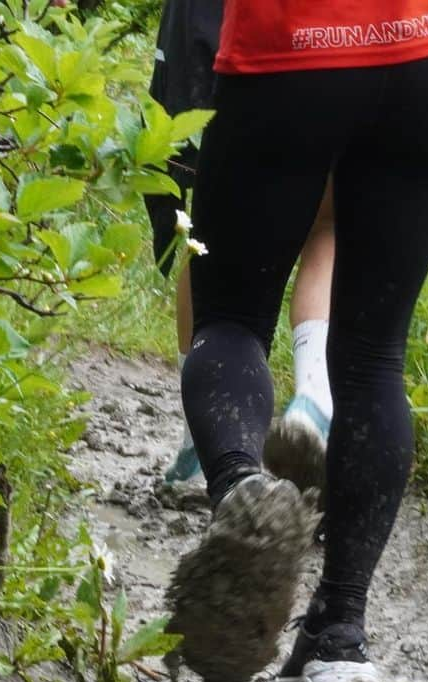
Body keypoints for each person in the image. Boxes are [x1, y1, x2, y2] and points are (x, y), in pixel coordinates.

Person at [167, 1, 428, 682]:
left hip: (290, 48)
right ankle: (340, 635)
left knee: (230, 318)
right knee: (374, 356)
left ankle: (244, 494)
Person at [145, 0, 336, 487]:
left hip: (213, 27)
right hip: (332, 34)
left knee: (203, 227)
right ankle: (314, 392)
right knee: (327, 221)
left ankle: (200, 443)